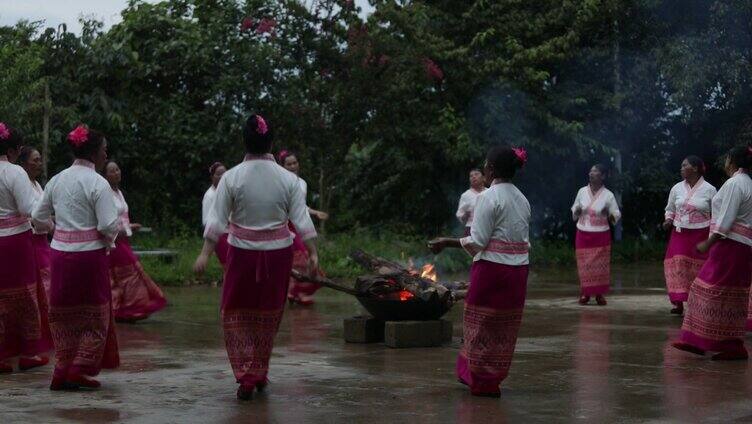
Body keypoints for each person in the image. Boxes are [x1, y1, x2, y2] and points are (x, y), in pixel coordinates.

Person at [194, 114, 319, 400]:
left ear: (244, 142)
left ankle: (247, 374)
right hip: (278, 256)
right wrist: (313, 252)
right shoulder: (289, 179)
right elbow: (301, 219)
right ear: (271, 142)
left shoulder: (231, 178)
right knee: (269, 313)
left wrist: (204, 253)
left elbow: (215, 222)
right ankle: (258, 370)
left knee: (236, 311)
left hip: (241, 255)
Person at [428, 146, 530, 397]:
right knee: (504, 327)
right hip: (518, 272)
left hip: (493, 270)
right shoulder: (523, 198)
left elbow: (478, 241)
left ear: (491, 169)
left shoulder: (488, 197)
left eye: (485, 165)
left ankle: (480, 379)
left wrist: (446, 242)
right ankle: (489, 378)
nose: (483, 169)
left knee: (480, 323)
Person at [33, 125, 120, 390]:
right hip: (89, 257)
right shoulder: (98, 183)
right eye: (104, 150)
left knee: (63, 313)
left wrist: (57, 230)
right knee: (95, 315)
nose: (106, 155)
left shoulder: (57, 179)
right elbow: (108, 225)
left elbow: (37, 217)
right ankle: (78, 368)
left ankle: (63, 368)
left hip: (59, 254)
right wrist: (108, 240)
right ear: (94, 153)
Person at [673, 144, 752, 361]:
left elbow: (726, 218)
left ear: (732, 162)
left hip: (730, 245)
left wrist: (709, 243)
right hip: (741, 246)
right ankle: (725, 344)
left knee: (704, 289)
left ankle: (704, 340)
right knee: (730, 295)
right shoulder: (747, 183)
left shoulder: (735, 184)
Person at [0, 124, 51, 374]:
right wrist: (48, 222)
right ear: (14, 150)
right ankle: (29, 351)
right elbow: (28, 208)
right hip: (16, 240)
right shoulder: (15, 172)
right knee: (25, 296)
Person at [104, 160, 167, 322]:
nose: (116, 173)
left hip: (124, 239)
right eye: (112, 171)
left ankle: (126, 309)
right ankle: (128, 308)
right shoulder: (105, 194)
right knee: (128, 272)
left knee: (127, 273)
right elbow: (109, 220)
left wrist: (130, 227)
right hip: (114, 240)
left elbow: (122, 217)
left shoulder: (119, 193)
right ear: (105, 175)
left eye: (117, 169)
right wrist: (127, 227)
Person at [662, 156, 716, 315]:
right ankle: (678, 302)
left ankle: (697, 302)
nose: (681, 168)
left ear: (695, 168)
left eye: (684, 165)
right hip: (679, 234)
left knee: (699, 268)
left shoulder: (710, 190)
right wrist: (668, 220)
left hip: (701, 234)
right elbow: (670, 208)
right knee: (678, 266)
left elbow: (717, 213)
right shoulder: (676, 188)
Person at [278, 150, 328, 306]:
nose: (293, 166)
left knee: (304, 261)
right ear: (283, 166)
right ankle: (294, 291)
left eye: (294, 163)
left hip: (299, 225)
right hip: (285, 225)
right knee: (300, 259)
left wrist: (315, 212)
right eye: (288, 164)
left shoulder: (302, 183)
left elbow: (301, 206)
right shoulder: (279, 183)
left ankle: (296, 292)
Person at [571, 164, 621, 306]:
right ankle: (585, 293)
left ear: (603, 176)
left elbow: (615, 216)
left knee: (601, 265)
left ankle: (599, 294)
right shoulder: (582, 191)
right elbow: (574, 211)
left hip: (601, 234)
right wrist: (578, 211)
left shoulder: (608, 195)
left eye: (596, 171)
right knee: (584, 265)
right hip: (583, 232)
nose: (591, 174)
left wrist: (608, 214)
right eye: (591, 171)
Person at [18, 146, 54, 297]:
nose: (40, 163)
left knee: (48, 278)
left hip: (43, 239)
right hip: (32, 239)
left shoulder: (38, 185)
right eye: (35, 160)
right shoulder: (22, 184)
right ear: (25, 164)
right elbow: (28, 214)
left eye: (40, 160)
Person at [202, 162, 229, 269]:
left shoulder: (226, 191)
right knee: (228, 266)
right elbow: (207, 221)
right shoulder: (210, 196)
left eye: (224, 173)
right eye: (219, 174)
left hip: (231, 235)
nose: (222, 176)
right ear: (212, 177)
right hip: (220, 236)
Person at [456, 168, 486, 236]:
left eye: (476, 174)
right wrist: (465, 216)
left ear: (484, 178)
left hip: (488, 228)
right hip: (471, 229)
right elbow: (460, 214)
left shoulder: (490, 192)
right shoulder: (466, 195)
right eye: (471, 176)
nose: (473, 177)